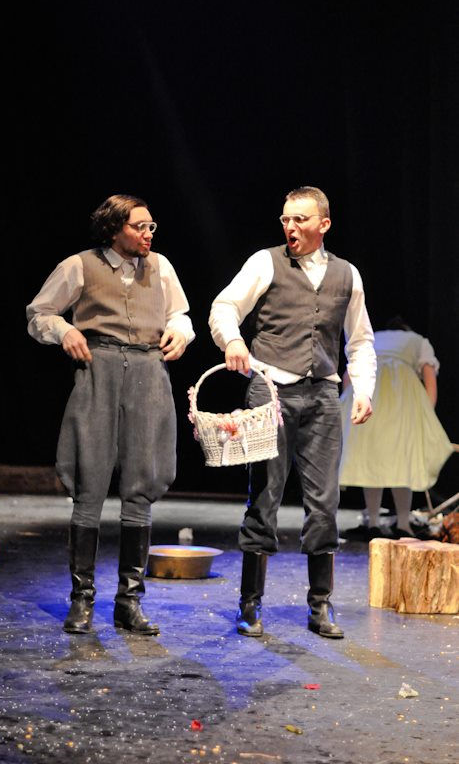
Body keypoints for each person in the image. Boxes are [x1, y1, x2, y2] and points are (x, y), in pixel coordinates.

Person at [209, 186, 376, 639]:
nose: (290, 227)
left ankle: (320, 605)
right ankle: (250, 603)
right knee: (264, 496)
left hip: (322, 396)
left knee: (324, 502)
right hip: (270, 392)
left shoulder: (347, 274)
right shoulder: (266, 262)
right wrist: (234, 340)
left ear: (324, 223)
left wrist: (363, 389)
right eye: (286, 219)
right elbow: (224, 307)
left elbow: (360, 340)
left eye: (300, 219)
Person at [27, 194, 194, 635]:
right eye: (140, 226)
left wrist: (180, 332)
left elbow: (180, 313)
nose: (148, 234)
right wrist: (64, 330)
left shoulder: (161, 267)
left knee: (141, 483)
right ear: (114, 229)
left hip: (148, 372)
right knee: (89, 480)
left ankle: (129, 602)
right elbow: (39, 313)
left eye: (151, 226)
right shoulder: (79, 265)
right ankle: (82, 599)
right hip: (97, 370)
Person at [339, 317, 454, 540]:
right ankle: (403, 523)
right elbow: (429, 377)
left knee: (371, 459)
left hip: (371, 392)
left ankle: (373, 522)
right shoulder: (418, 341)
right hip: (402, 395)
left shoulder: (374, 338)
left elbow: (348, 375)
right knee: (403, 460)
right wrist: (426, 415)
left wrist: (349, 404)